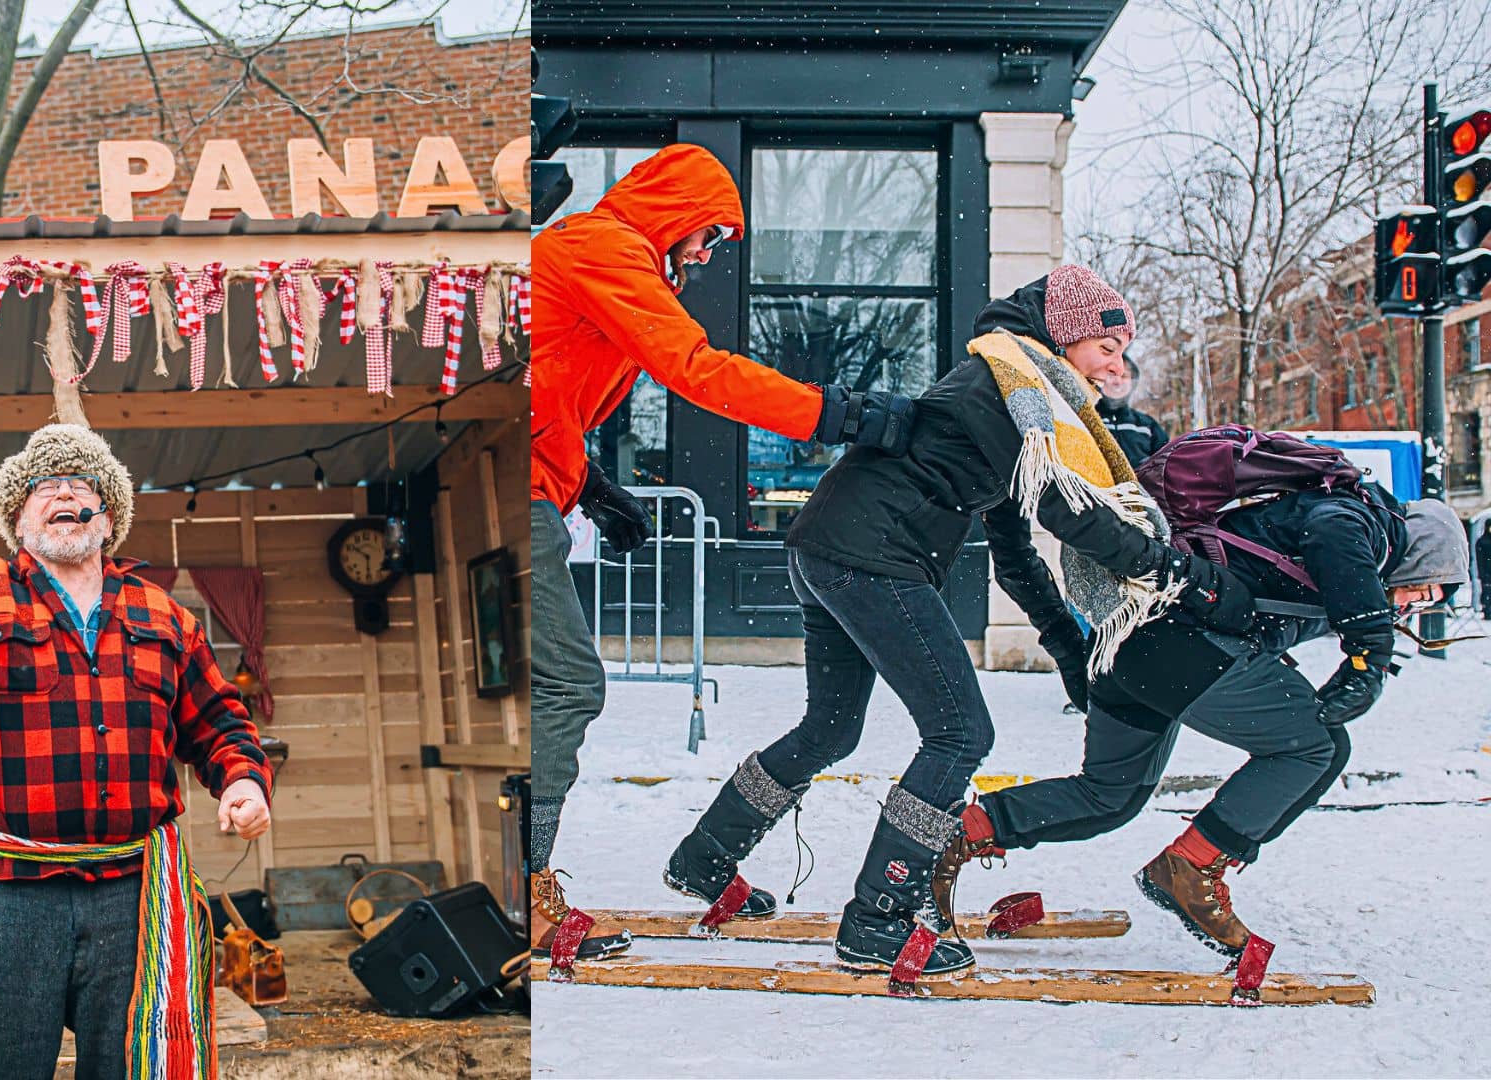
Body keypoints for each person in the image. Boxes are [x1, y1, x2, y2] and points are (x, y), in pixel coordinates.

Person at [662, 266, 1254, 977]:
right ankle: (878, 920)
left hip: (832, 548)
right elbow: (1073, 517)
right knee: (961, 732)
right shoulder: (1008, 391)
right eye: (1108, 344)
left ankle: (703, 859)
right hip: (871, 555)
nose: (1115, 364)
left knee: (831, 730)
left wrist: (1071, 653)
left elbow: (1015, 553)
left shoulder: (1016, 394)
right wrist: (1171, 568)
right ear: (1067, 336)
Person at [530, 142, 919, 965]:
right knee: (564, 683)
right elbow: (694, 368)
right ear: (671, 211)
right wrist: (834, 414)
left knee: (527, 689)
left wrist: (591, 483)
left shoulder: (604, 258)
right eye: (708, 234)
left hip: (528, 486)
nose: (707, 255)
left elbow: (545, 381)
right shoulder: (600, 248)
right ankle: (517, 895)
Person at [0, 405, 273, 1079]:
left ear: (110, 513)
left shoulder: (164, 616)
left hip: (131, 897)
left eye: (83, 481)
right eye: (44, 484)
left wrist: (241, 779)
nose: (66, 491)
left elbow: (219, 721)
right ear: (19, 518)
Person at [934, 484, 1468, 957]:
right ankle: (1190, 868)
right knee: (1319, 745)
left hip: (1139, 646)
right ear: (1422, 554)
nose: (1414, 606)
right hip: (1180, 644)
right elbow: (1334, 536)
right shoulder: (1363, 520)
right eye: (1425, 588)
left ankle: (956, 836)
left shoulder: (1354, 548)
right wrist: (1369, 653)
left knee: (1108, 796)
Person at [1094, 356, 1169, 467]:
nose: (1118, 381)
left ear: (1132, 383)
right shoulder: (1087, 418)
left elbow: (1166, 465)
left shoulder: (1147, 425)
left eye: (1124, 376)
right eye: (1112, 374)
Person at [1475, 521, 1491, 619]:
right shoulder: (1482, 541)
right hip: (1486, 572)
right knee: (1487, 592)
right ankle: (1487, 611)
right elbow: (1480, 559)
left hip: (1486, 571)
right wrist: (1482, 573)